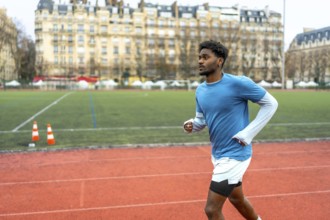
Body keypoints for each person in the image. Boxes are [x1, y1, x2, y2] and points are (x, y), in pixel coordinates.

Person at [183, 40, 278, 220]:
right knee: (237, 198)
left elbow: (271, 104)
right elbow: (200, 121)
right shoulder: (200, 90)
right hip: (218, 154)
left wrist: (248, 134)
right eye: (199, 57)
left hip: (235, 155)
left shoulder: (238, 83)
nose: (200, 61)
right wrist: (191, 124)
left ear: (219, 61)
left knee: (212, 209)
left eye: (205, 57)